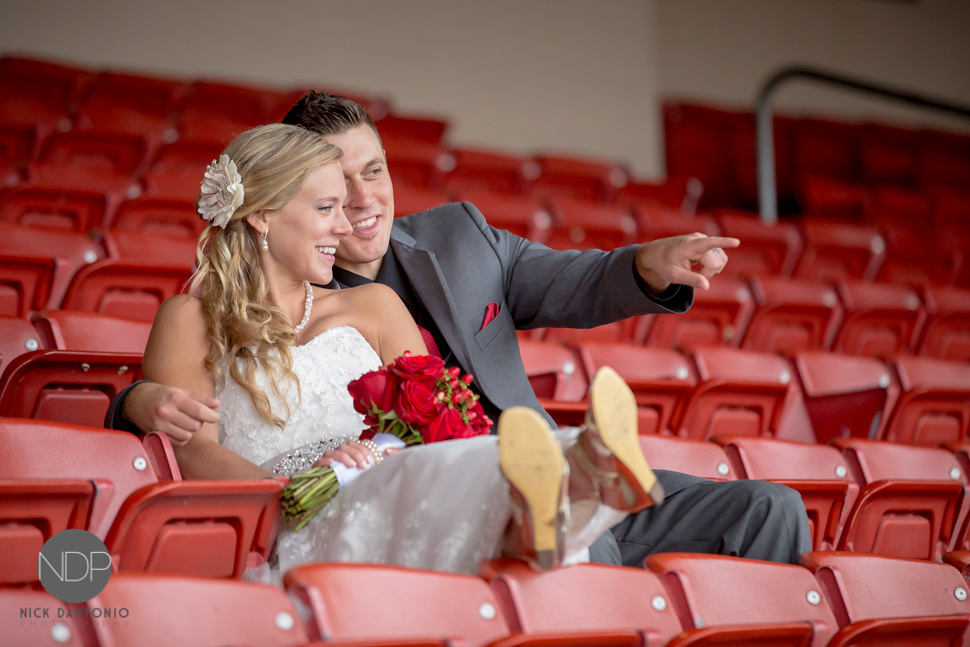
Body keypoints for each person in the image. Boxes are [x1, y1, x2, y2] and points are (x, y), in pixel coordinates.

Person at [108, 92, 811, 567]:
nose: (355, 204)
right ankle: (567, 497)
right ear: (279, 203)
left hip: (480, 465)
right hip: (411, 503)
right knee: (533, 522)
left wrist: (646, 266)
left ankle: (574, 482)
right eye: (327, 194)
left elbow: (560, 292)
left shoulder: (448, 248)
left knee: (772, 509)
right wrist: (135, 401)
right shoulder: (206, 315)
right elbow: (185, 426)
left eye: (372, 172)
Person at [145, 122, 663, 578]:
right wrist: (303, 485)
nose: (344, 226)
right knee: (405, 499)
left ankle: (564, 484)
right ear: (261, 216)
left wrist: (372, 454)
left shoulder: (375, 306)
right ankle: (568, 488)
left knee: (434, 473)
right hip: (288, 516)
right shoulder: (190, 319)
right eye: (327, 208)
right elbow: (192, 449)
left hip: (398, 489)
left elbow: (440, 421)